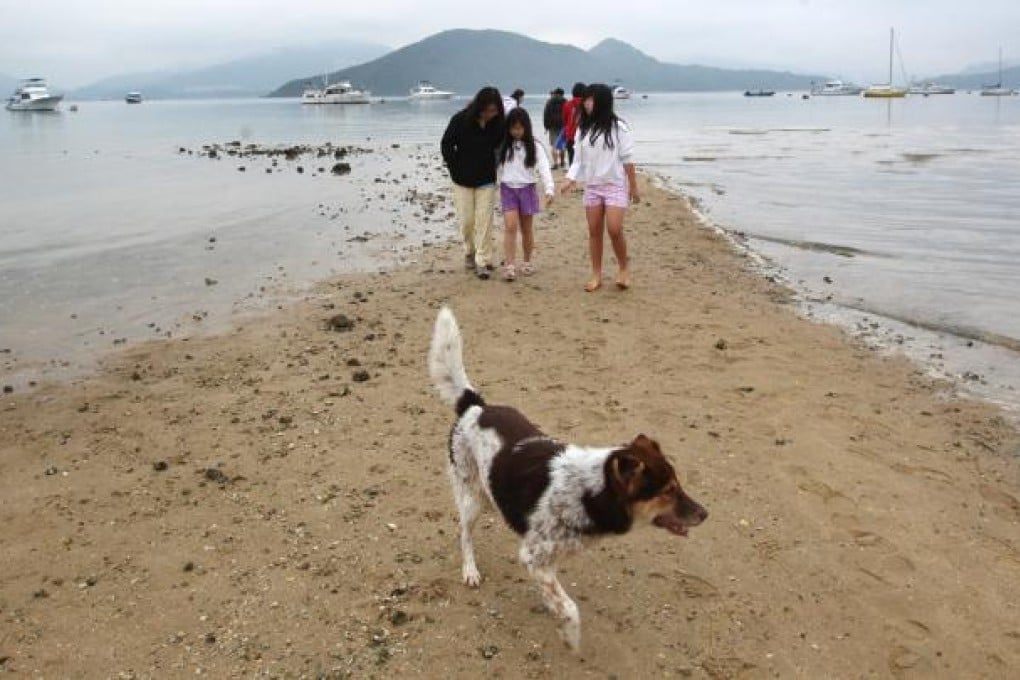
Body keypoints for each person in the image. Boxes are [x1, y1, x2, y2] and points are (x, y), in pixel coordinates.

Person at [560, 83, 638, 292]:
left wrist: (634, 187)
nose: (586, 103)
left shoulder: (618, 128)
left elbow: (627, 160)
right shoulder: (583, 129)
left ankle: (623, 268)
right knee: (594, 230)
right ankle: (596, 274)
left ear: (602, 102)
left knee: (614, 228)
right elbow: (578, 161)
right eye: (586, 99)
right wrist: (570, 179)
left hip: (615, 184)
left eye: (591, 99)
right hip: (593, 186)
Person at [441, 87, 506, 279]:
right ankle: (469, 251)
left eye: (494, 111)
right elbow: (446, 143)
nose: (490, 114)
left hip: (486, 179)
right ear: (480, 106)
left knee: (484, 221)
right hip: (462, 180)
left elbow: (501, 146)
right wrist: (453, 166)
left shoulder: (498, 124)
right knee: (467, 221)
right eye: (488, 110)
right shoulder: (460, 120)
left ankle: (482, 261)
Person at [496, 108, 554, 282]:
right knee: (510, 226)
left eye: (520, 128)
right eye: (513, 128)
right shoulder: (503, 146)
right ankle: (510, 265)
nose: (517, 132)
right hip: (508, 189)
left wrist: (549, 188)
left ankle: (527, 261)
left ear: (527, 127)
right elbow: (496, 167)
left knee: (527, 228)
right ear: (508, 128)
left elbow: (544, 168)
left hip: (527, 188)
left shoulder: (535, 146)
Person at [561, 82, 585, 167]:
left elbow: (564, 120)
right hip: (584, 135)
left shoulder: (567, 104)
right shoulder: (587, 104)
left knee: (572, 157)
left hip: (570, 135)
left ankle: (572, 174)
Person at [542, 87, 566, 169]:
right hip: (563, 125)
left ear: (555, 93)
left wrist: (546, 126)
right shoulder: (565, 101)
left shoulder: (549, 101)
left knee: (554, 145)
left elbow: (546, 114)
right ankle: (562, 162)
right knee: (562, 145)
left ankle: (555, 163)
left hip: (552, 126)